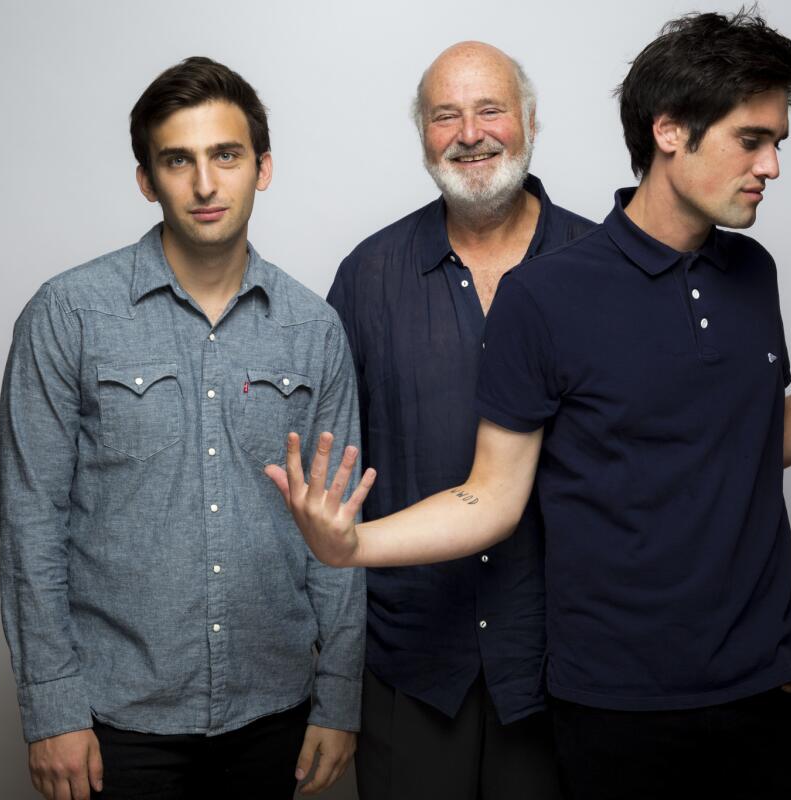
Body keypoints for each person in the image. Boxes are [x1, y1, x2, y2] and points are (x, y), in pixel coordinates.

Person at [269, 9, 791, 799]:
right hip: (609, 705)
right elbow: (492, 493)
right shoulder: (541, 294)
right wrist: (350, 548)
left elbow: (755, 438)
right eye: (752, 140)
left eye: (776, 141)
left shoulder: (753, 273)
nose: (772, 165)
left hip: (764, 689)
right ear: (671, 132)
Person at [0, 57, 364, 800]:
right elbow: (31, 523)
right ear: (146, 178)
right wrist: (52, 708)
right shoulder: (67, 314)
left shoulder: (314, 330)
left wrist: (340, 696)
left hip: (275, 714)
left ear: (262, 168)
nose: (204, 184)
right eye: (178, 160)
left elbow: (338, 536)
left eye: (225, 156)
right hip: (112, 721)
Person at [328, 41, 593, 800]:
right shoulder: (367, 277)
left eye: (490, 110)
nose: (469, 133)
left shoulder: (597, 265)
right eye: (445, 115)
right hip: (411, 669)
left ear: (530, 122)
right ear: (423, 136)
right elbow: (334, 479)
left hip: (563, 668)